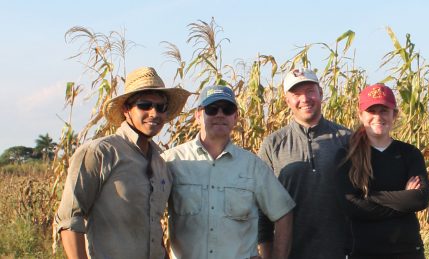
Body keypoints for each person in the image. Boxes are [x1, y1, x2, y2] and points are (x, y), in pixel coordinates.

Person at [54, 67, 190, 259]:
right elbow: (69, 219)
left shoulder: (161, 162)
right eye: (145, 105)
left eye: (161, 107)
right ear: (127, 110)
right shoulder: (100, 152)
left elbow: (154, 228)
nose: (154, 113)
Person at [162, 85, 296, 259]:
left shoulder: (253, 166)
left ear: (235, 117)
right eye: (211, 109)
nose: (220, 114)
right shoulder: (171, 161)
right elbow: (147, 213)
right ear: (197, 116)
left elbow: (283, 212)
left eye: (227, 109)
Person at [258, 68, 351, 259]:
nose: (305, 99)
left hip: (339, 252)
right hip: (290, 253)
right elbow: (261, 208)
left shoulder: (347, 139)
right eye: (296, 94)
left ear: (321, 93)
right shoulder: (273, 144)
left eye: (310, 91)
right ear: (287, 101)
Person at [335, 83, 429, 259]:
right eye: (372, 111)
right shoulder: (347, 156)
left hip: (408, 252)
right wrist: (403, 201)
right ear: (361, 114)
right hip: (363, 252)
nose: (378, 117)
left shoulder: (410, 154)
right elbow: (351, 207)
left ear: (395, 114)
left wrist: (368, 197)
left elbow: (419, 199)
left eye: (384, 110)